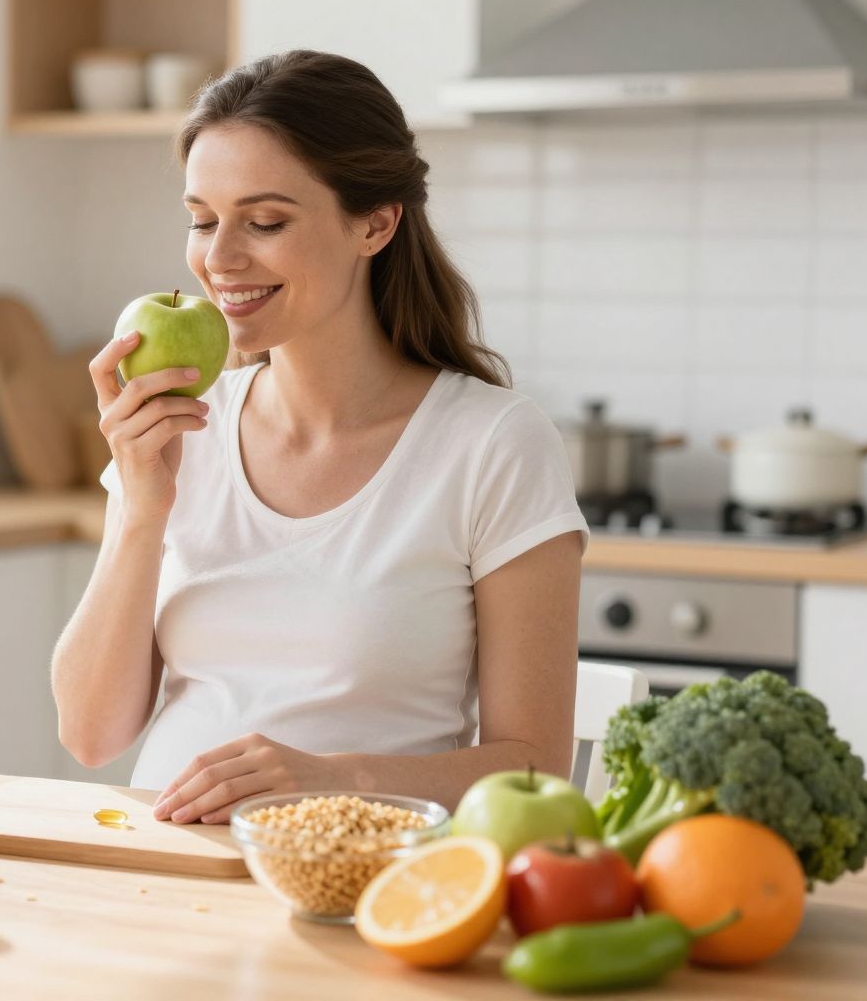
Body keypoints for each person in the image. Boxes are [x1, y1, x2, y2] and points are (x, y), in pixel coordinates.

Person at [50, 50, 589, 823]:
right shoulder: (179, 432)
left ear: (375, 223)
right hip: (166, 874)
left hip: (364, 885)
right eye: (202, 220)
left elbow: (537, 771)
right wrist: (142, 505)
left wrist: (332, 779)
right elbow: (90, 735)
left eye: (265, 221)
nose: (220, 258)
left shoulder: (492, 444)